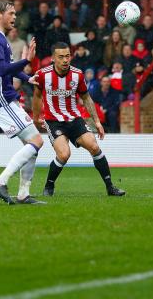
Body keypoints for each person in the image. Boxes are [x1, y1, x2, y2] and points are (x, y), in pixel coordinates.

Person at [33, 42, 125, 197]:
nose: (65, 60)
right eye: (61, 57)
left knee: (94, 147)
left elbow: (86, 97)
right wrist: (36, 118)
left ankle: (110, 187)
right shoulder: (42, 75)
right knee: (64, 154)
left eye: (67, 56)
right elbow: (36, 96)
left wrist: (96, 121)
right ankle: (49, 186)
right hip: (53, 120)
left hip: (75, 118)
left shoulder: (77, 74)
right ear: (53, 58)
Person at [0, 0, 45, 205]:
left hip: (4, 96)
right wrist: (26, 60)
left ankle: (24, 194)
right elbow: (1, 70)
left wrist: (27, 78)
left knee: (31, 144)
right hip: (1, 97)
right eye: (11, 13)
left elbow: (7, 67)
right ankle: (1, 181)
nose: (15, 17)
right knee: (37, 141)